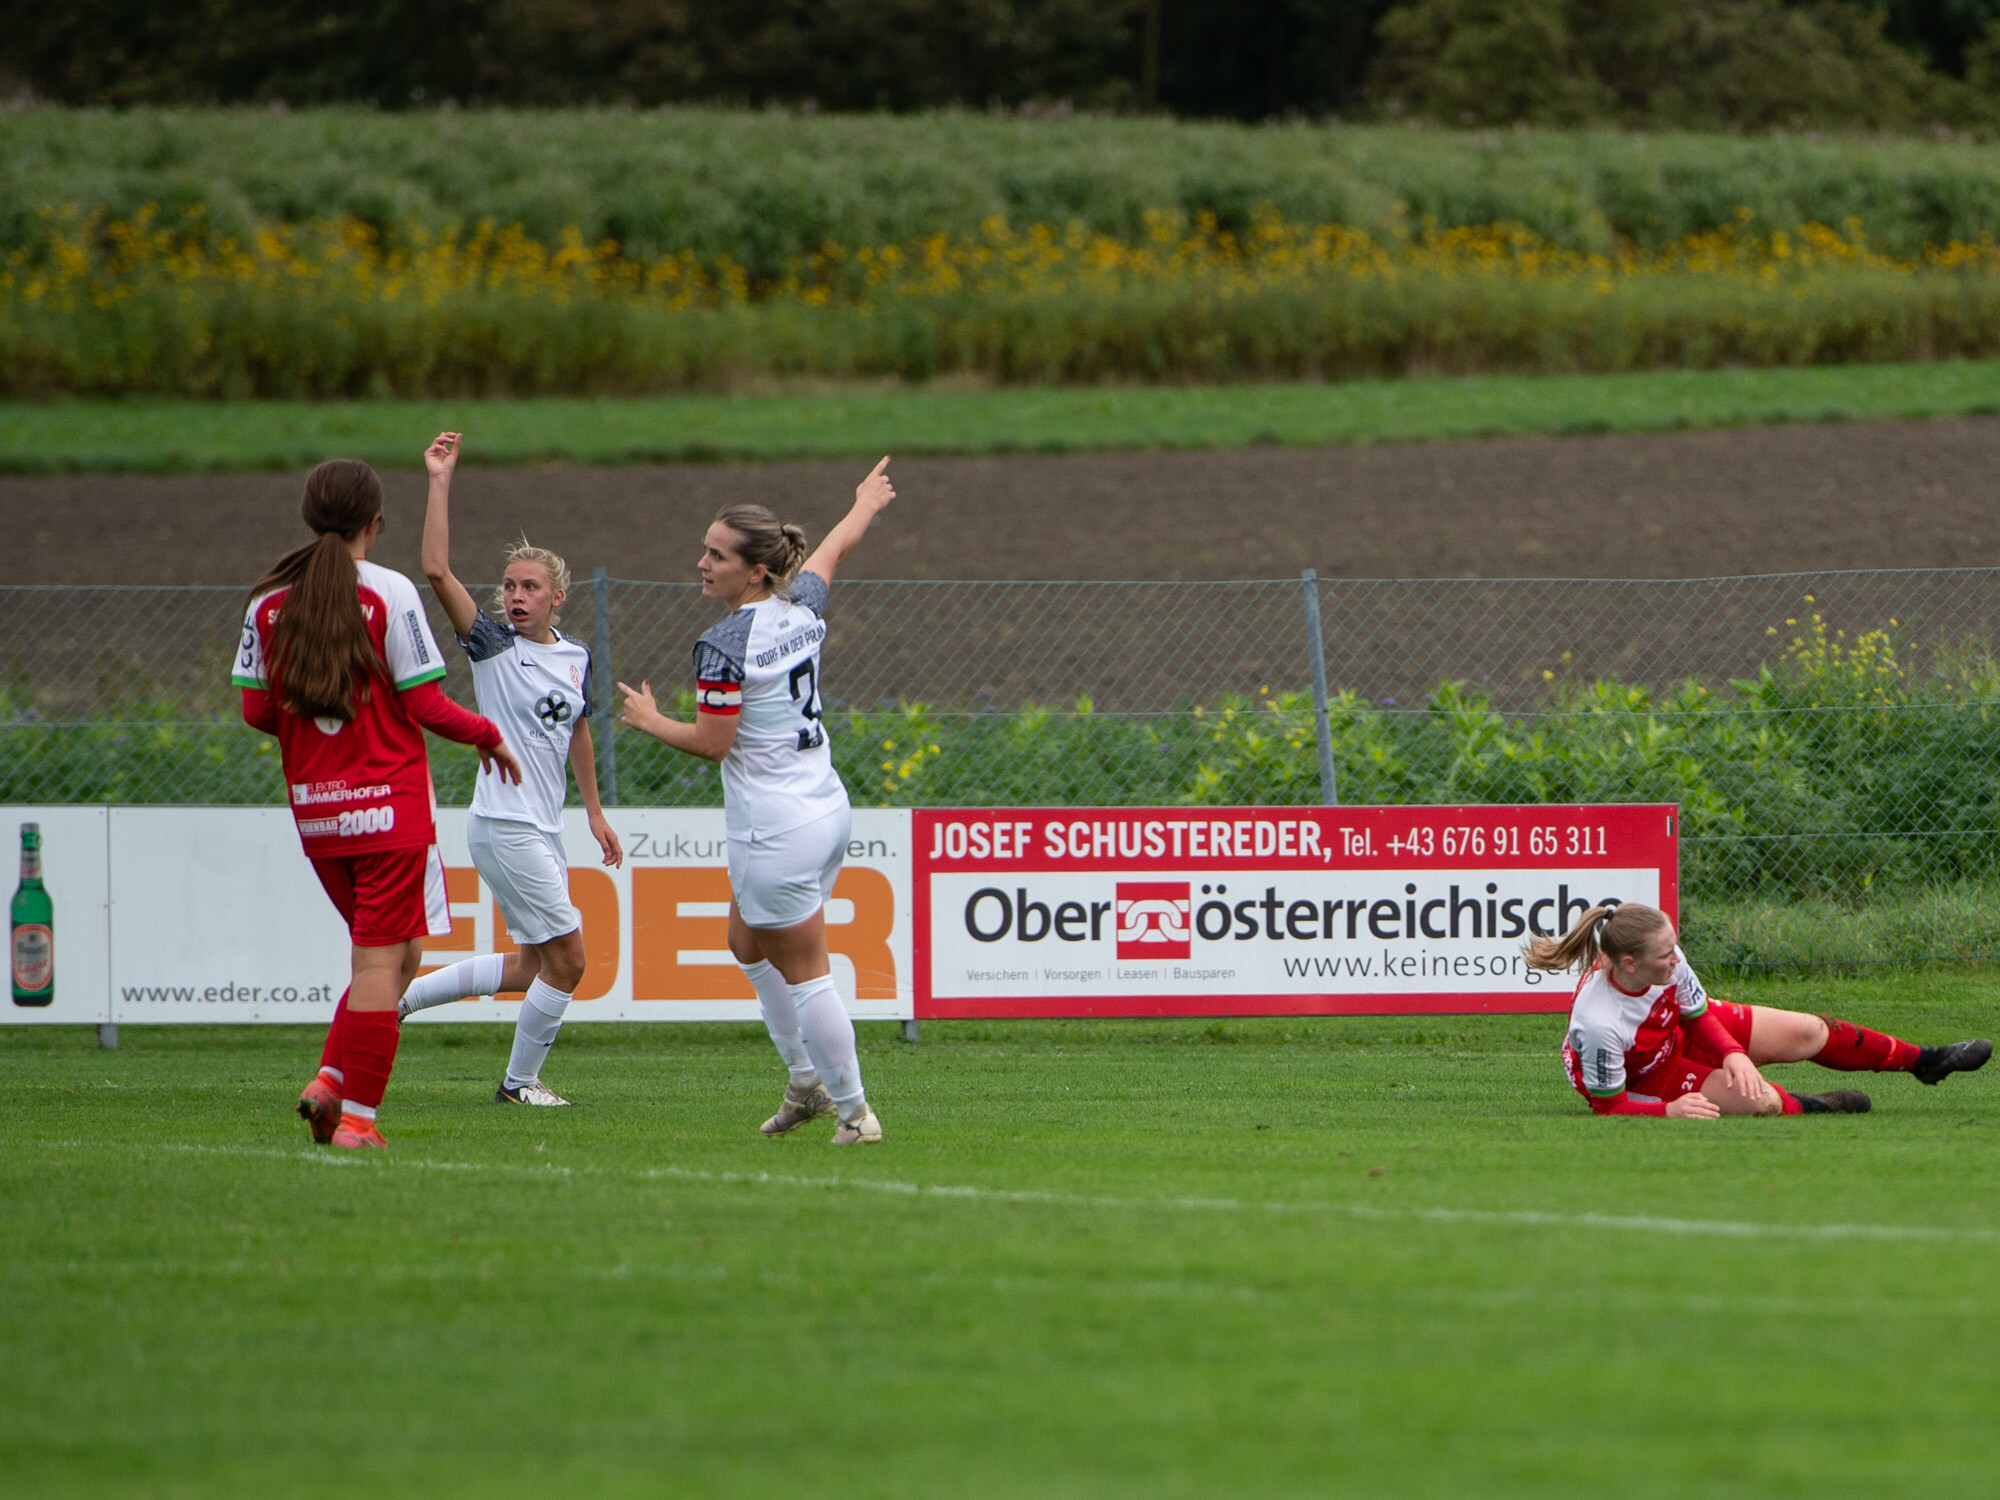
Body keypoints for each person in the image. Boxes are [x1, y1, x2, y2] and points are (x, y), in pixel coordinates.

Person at [236, 458, 521, 1150]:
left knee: (400, 954)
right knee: (378, 966)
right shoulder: (388, 592)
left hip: (319, 813)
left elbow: (256, 711)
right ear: (375, 521)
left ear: (310, 516)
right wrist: (487, 734)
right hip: (389, 810)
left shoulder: (266, 603)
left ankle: (329, 1081)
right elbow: (423, 702)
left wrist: (318, 744)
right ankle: (357, 1120)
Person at [617, 458, 897, 1145]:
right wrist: (863, 503)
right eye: (706, 550)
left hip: (776, 828)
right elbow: (834, 551)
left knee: (807, 974)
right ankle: (804, 1083)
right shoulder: (801, 605)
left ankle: (854, 1113)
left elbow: (714, 743)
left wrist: (651, 721)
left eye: (717, 555)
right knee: (745, 940)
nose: (702, 563)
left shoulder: (724, 642)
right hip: (824, 808)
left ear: (756, 572)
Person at [395, 432, 623, 1106]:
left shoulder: (576, 656)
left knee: (532, 966)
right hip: (503, 824)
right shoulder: (494, 648)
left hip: (540, 827)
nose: (516, 596)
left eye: (530, 587)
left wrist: (594, 811)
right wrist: (439, 480)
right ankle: (518, 1085)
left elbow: (578, 727)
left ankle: (397, 1002)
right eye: (510, 586)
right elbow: (436, 570)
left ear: (558, 596)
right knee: (571, 961)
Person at [1532, 901, 1991, 1118]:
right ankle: (1814, 1104)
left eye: (1675, 947)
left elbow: (1695, 1015)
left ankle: (1926, 1060)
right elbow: (1609, 1106)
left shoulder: (1664, 958)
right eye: (1665, 954)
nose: (1677, 958)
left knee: (1810, 1031)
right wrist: (1667, 1112)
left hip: (1678, 1031)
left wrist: (1732, 1052)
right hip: (1646, 1076)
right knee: (1762, 1103)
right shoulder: (1599, 1023)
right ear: (1630, 964)